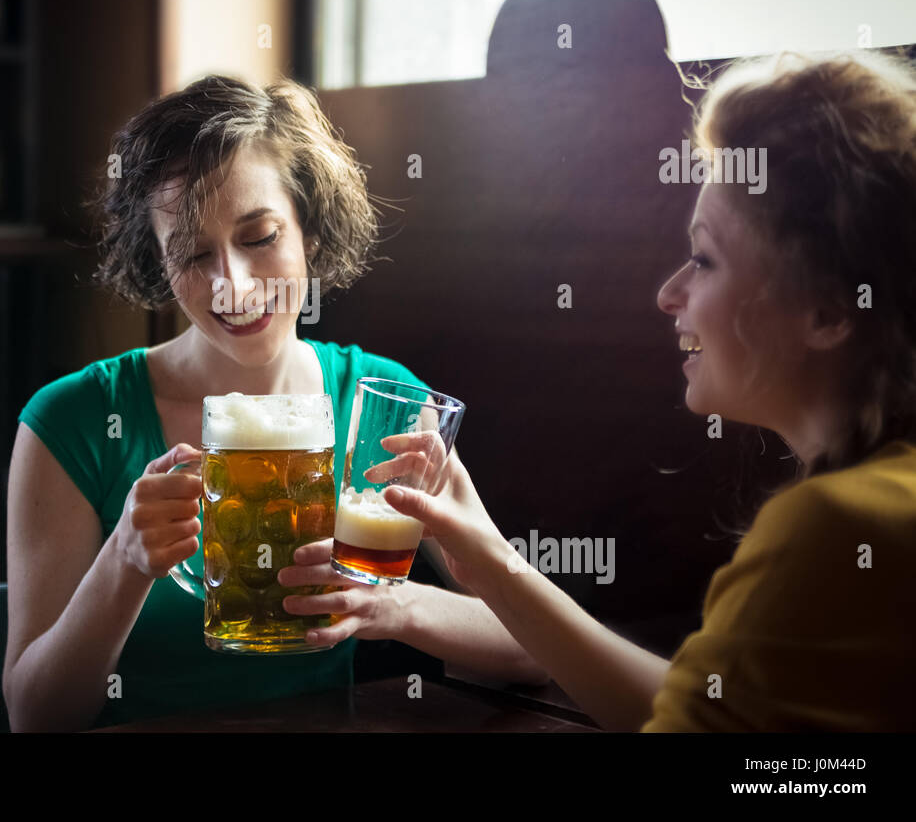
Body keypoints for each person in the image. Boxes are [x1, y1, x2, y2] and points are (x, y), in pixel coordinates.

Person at [371, 49, 916, 731]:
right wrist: (491, 562)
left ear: (830, 312)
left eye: (705, 259)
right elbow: (705, 712)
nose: (668, 295)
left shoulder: (833, 528)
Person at [2, 75, 549, 732]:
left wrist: (394, 607)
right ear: (158, 263)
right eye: (194, 254)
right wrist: (123, 562)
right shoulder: (74, 420)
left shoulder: (381, 405)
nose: (232, 284)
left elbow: (534, 649)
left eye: (259, 237)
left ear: (309, 230)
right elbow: (33, 716)